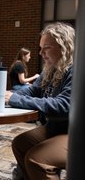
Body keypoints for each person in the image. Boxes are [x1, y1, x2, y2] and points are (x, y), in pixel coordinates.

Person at [5, 22, 74, 180]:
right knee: (20, 144)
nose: (41, 53)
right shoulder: (51, 68)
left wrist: (16, 100)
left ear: (64, 46)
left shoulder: (74, 70)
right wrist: (9, 95)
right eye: (40, 47)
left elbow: (63, 105)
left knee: (37, 159)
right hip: (55, 128)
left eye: (46, 47)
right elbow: (32, 90)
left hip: (74, 133)